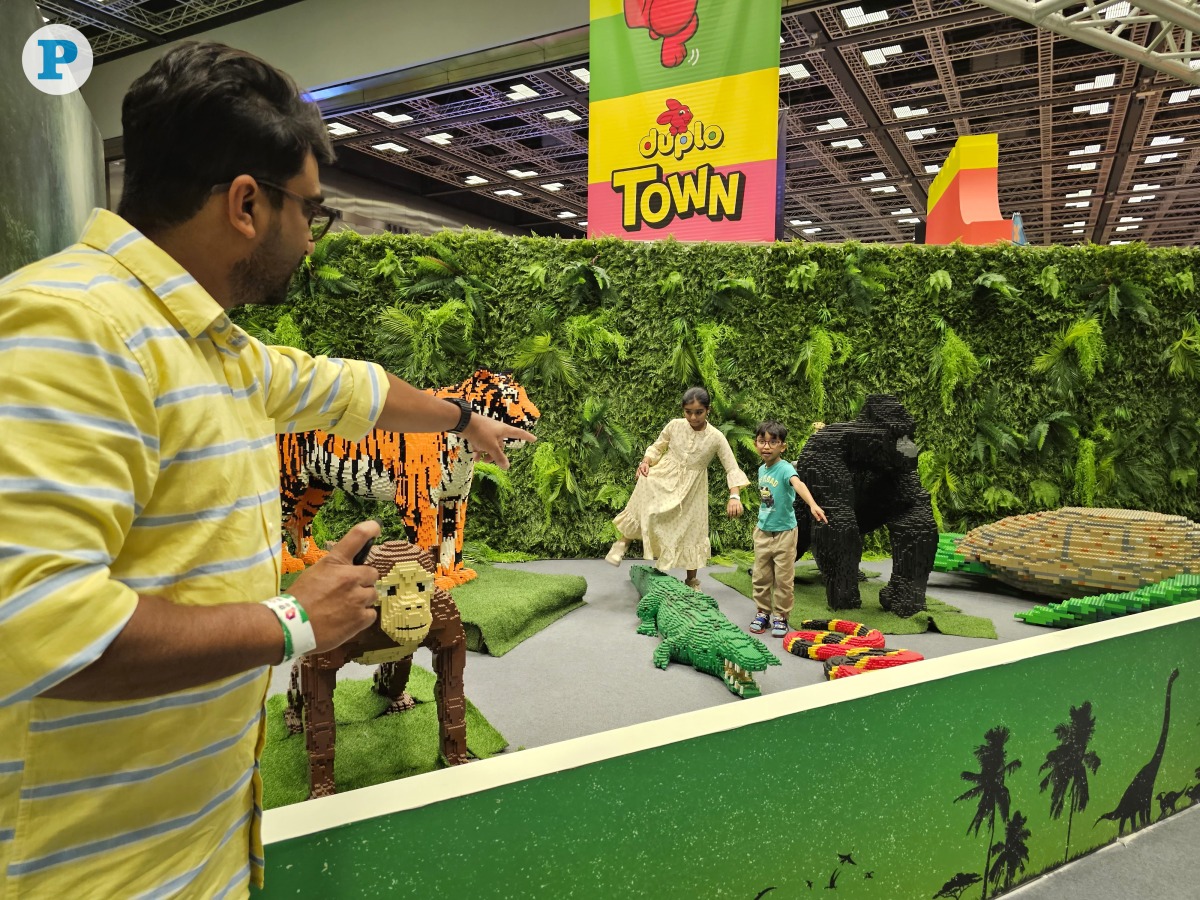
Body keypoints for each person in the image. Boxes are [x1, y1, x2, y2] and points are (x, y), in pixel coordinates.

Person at [0, 42, 533, 899]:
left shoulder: (214, 347)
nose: (312, 243)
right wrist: (294, 619)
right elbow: (38, 626)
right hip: (89, 871)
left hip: (197, 845)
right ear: (247, 203)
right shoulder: (70, 327)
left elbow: (351, 389)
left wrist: (464, 419)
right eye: (312, 214)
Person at [605, 387, 748, 588]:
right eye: (688, 411)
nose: (693, 416)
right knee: (646, 483)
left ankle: (691, 579)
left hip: (693, 489)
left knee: (693, 529)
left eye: (698, 412)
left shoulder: (716, 437)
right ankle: (623, 542)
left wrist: (735, 496)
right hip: (666, 475)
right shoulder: (675, 425)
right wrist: (646, 461)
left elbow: (731, 467)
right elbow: (658, 446)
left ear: (708, 410)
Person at [749, 421, 827, 638]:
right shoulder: (761, 469)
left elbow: (797, 484)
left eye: (773, 442)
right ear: (756, 443)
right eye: (762, 441)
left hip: (785, 533)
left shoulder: (786, 468)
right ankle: (763, 612)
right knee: (761, 576)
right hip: (763, 531)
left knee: (783, 578)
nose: (767, 446)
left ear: (782, 446)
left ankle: (781, 616)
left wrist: (812, 504)